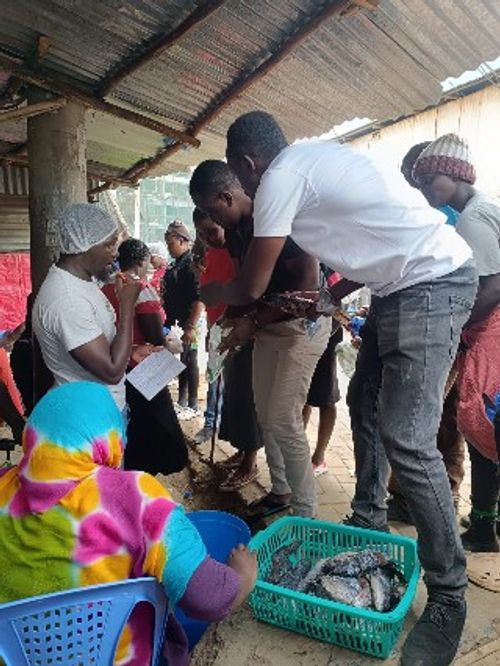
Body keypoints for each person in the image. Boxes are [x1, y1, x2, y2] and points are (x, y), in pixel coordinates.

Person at [199, 111, 478, 666]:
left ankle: (449, 594)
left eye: (238, 178)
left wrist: (211, 287)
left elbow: (251, 284)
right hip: (396, 287)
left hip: (433, 283)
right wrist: (333, 292)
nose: (242, 189)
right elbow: (363, 235)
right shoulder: (309, 163)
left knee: (410, 441)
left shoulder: (279, 178)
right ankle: (369, 518)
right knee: (362, 404)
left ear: (248, 165)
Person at [0, 381, 257, 666]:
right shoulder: (136, 499)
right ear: (109, 437)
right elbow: (210, 598)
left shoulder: (3, 485)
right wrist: (243, 575)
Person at [190, 159, 329, 513]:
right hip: (267, 326)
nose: (212, 221)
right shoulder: (237, 231)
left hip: (303, 326)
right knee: (266, 415)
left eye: (211, 210)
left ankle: (305, 512)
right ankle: (281, 492)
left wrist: (249, 319)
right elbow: (245, 286)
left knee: (283, 417)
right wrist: (229, 322)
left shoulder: (278, 216)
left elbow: (308, 289)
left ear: (226, 196)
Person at [414, 133, 500, 554]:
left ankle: (485, 524)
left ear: (455, 174)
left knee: (483, 422)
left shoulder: (472, 217)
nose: (429, 190)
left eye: (432, 180)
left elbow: (491, 286)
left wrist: (450, 326)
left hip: (491, 337)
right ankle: (484, 520)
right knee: (484, 427)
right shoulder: (481, 209)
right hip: (488, 334)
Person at [384, 141, 467, 523]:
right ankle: (411, 496)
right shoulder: (429, 213)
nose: (414, 188)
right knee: (427, 417)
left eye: (419, 180)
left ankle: (443, 498)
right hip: (440, 327)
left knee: (436, 419)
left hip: (454, 331)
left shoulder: (459, 218)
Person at [33, 204, 141, 412]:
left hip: (99, 409)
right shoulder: (67, 299)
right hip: (88, 416)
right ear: (83, 244)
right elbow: (111, 372)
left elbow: (92, 340)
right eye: (109, 245)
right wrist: (127, 308)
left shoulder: (81, 281)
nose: (115, 253)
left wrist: (131, 350)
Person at [102, 238, 187, 476]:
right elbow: (154, 335)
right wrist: (168, 341)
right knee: (158, 424)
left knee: (133, 422)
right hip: (143, 366)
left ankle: (130, 471)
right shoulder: (139, 287)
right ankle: (146, 475)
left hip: (115, 365)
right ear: (143, 260)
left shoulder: (106, 287)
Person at [192, 209, 235, 446]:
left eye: (212, 231)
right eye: (201, 234)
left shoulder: (236, 251)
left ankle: (228, 429)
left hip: (235, 327)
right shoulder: (209, 254)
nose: (207, 237)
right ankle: (210, 423)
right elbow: (208, 295)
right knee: (214, 378)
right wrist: (210, 328)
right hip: (215, 326)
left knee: (234, 383)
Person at [303, 267, 342, 477]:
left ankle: (319, 457)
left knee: (326, 397)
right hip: (304, 337)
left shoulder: (329, 268)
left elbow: (338, 305)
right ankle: (299, 452)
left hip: (327, 337)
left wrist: (325, 337)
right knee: (304, 395)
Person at [163, 220, 203, 417]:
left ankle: (193, 404)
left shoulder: (191, 265)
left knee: (190, 359)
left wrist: (191, 326)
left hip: (188, 322)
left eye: (171, 243)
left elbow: (199, 298)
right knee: (180, 360)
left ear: (182, 241)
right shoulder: (175, 264)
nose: (168, 247)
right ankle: (182, 400)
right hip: (175, 322)